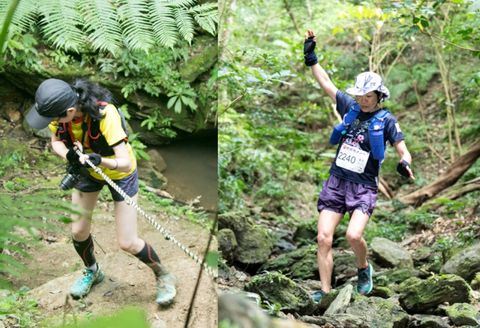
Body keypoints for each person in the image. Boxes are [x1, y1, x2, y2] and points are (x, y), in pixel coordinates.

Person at [26, 78, 176, 306]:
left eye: (55, 118)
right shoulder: (60, 116)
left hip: (119, 174)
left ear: (69, 110)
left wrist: (100, 161)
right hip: (87, 172)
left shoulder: (106, 115)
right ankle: (92, 271)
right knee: (78, 230)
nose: (52, 122)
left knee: (127, 242)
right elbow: (56, 142)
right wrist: (69, 155)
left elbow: (125, 163)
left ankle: (163, 274)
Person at [303, 30, 415, 302]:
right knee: (323, 238)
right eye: (360, 95)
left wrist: (405, 161)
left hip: (364, 185)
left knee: (354, 235)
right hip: (337, 181)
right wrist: (311, 56)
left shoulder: (387, 120)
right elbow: (327, 83)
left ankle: (363, 268)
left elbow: (402, 147)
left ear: (378, 95)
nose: (363, 99)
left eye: (368, 96)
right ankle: (326, 292)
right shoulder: (349, 107)